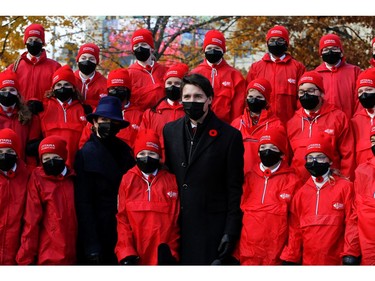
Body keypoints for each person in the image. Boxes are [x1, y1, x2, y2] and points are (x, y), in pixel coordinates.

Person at [163, 73, 244, 265]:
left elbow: (235, 188)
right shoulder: (170, 130)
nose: (192, 102)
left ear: (209, 99)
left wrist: (230, 231)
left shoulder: (229, 136)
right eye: (188, 97)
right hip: (177, 226)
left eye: (198, 97)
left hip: (211, 227)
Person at [280, 132, 360, 265]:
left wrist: (351, 252)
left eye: (320, 157)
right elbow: (295, 230)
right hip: (309, 263)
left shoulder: (345, 187)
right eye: (310, 158)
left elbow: (352, 222)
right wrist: (291, 256)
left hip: (337, 263)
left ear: (330, 160)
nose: (314, 161)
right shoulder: (301, 194)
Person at [74, 95, 135, 265]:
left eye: (113, 121)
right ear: (94, 123)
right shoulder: (85, 154)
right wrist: (91, 244)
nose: (108, 124)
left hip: (123, 228)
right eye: (104, 120)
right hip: (98, 230)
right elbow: (83, 204)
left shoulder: (125, 151)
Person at [115, 129, 179, 265]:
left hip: (162, 254)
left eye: (152, 153)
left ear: (159, 156)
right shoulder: (127, 180)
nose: (147, 157)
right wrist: (126, 252)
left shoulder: (171, 181)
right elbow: (122, 219)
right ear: (136, 155)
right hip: (135, 254)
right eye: (142, 153)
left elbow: (175, 220)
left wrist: (171, 252)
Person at [238, 128, 300, 265]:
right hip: (248, 253)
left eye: (273, 147)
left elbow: (295, 222)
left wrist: (291, 254)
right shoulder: (249, 178)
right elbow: (238, 215)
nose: (267, 151)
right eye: (263, 147)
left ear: (282, 153)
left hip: (276, 254)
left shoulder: (292, 180)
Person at [16, 135, 77, 265]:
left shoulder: (74, 179)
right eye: (46, 159)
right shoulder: (38, 179)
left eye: (56, 157)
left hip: (75, 252)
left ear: (64, 157)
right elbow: (31, 221)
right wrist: (25, 259)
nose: (51, 162)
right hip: (48, 254)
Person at [287, 71, 355, 183]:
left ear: (321, 93)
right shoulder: (292, 122)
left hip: (331, 182)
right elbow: (287, 157)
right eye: (301, 92)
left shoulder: (338, 117)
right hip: (300, 185)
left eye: (311, 90)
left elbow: (348, 155)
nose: (306, 95)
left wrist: (345, 182)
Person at [246, 25, 306, 124]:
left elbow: (302, 100)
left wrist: (298, 122)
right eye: (272, 40)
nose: (276, 43)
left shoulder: (298, 68)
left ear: (286, 43)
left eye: (280, 40)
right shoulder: (256, 68)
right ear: (267, 43)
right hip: (262, 125)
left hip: (289, 125)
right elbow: (247, 98)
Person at [231, 78, 286, 174]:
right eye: (250, 96)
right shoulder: (237, 123)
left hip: (263, 178)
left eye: (259, 97)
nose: (254, 100)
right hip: (239, 177)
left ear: (267, 100)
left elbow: (283, 156)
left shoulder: (276, 125)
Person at [79, 68, 143, 150]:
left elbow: (140, 144)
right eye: (112, 89)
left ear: (127, 90)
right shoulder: (99, 111)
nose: (116, 91)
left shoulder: (139, 114)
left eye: (120, 88)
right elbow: (84, 140)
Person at [191, 29, 246, 123]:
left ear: (223, 50)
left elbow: (238, 108)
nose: (212, 51)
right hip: (199, 126)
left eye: (217, 49)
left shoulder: (235, 76)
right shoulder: (195, 74)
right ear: (204, 50)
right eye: (209, 48)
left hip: (225, 128)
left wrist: (233, 129)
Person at [39, 65, 87, 168]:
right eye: (58, 85)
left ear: (73, 88)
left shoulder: (83, 110)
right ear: (53, 88)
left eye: (66, 84)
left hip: (75, 167)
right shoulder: (44, 108)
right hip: (49, 166)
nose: (62, 88)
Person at [140, 63, 188, 159]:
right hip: (160, 162)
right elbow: (143, 140)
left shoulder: (190, 111)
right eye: (169, 83)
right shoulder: (151, 113)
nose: (172, 86)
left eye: (177, 83)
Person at [6, 23, 61, 107]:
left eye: (37, 40)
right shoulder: (14, 68)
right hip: (20, 116)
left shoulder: (55, 67)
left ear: (42, 42)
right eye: (30, 40)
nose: (33, 43)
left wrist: (44, 105)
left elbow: (59, 94)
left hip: (45, 115)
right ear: (25, 42)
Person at [314, 33, 362, 119]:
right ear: (321, 54)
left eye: (334, 48)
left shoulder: (355, 72)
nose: (330, 52)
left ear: (341, 52)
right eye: (326, 49)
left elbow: (360, 101)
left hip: (349, 124)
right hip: (323, 125)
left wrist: (356, 120)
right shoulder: (315, 75)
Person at [0, 128, 30, 264]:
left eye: (10, 152)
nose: (4, 156)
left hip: (17, 252)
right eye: (0, 152)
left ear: (17, 154)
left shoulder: (29, 176)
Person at [0, 70, 41, 167]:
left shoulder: (30, 117)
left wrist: (31, 171)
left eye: (12, 90)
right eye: (3, 90)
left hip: (22, 170)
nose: (8, 93)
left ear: (18, 94)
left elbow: (31, 151)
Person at [128, 28, 168, 111]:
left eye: (143, 44)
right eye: (136, 46)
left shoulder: (165, 71)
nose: (140, 48)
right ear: (133, 51)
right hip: (141, 120)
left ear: (151, 48)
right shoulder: (128, 74)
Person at [353, 125, 375, 265]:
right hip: (369, 253)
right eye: (373, 140)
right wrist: (351, 250)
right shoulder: (363, 171)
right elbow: (354, 214)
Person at [351, 69, 375, 166]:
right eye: (360, 91)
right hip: (363, 176)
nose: (364, 95)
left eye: (369, 90)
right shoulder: (355, 121)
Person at [74, 42, 107, 112]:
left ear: (97, 63)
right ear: (77, 61)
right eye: (83, 58)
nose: (87, 61)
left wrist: (92, 109)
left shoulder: (104, 83)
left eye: (91, 59)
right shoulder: (70, 80)